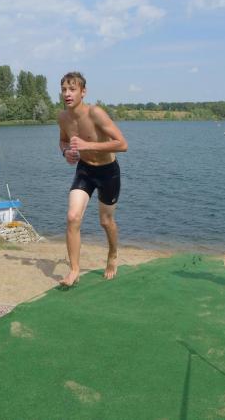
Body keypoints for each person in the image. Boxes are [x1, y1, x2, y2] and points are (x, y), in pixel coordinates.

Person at [57, 72, 128, 287]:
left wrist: (88, 145)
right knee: (72, 217)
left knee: (105, 221)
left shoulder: (95, 113)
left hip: (108, 172)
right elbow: (63, 140)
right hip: (85, 170)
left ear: (83, 92)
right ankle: (74, 270)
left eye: (72, 89)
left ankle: (113, 254)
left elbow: (122, 144)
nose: (67, 94)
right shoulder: (62, 117)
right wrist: (66, 152)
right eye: (64, 89)